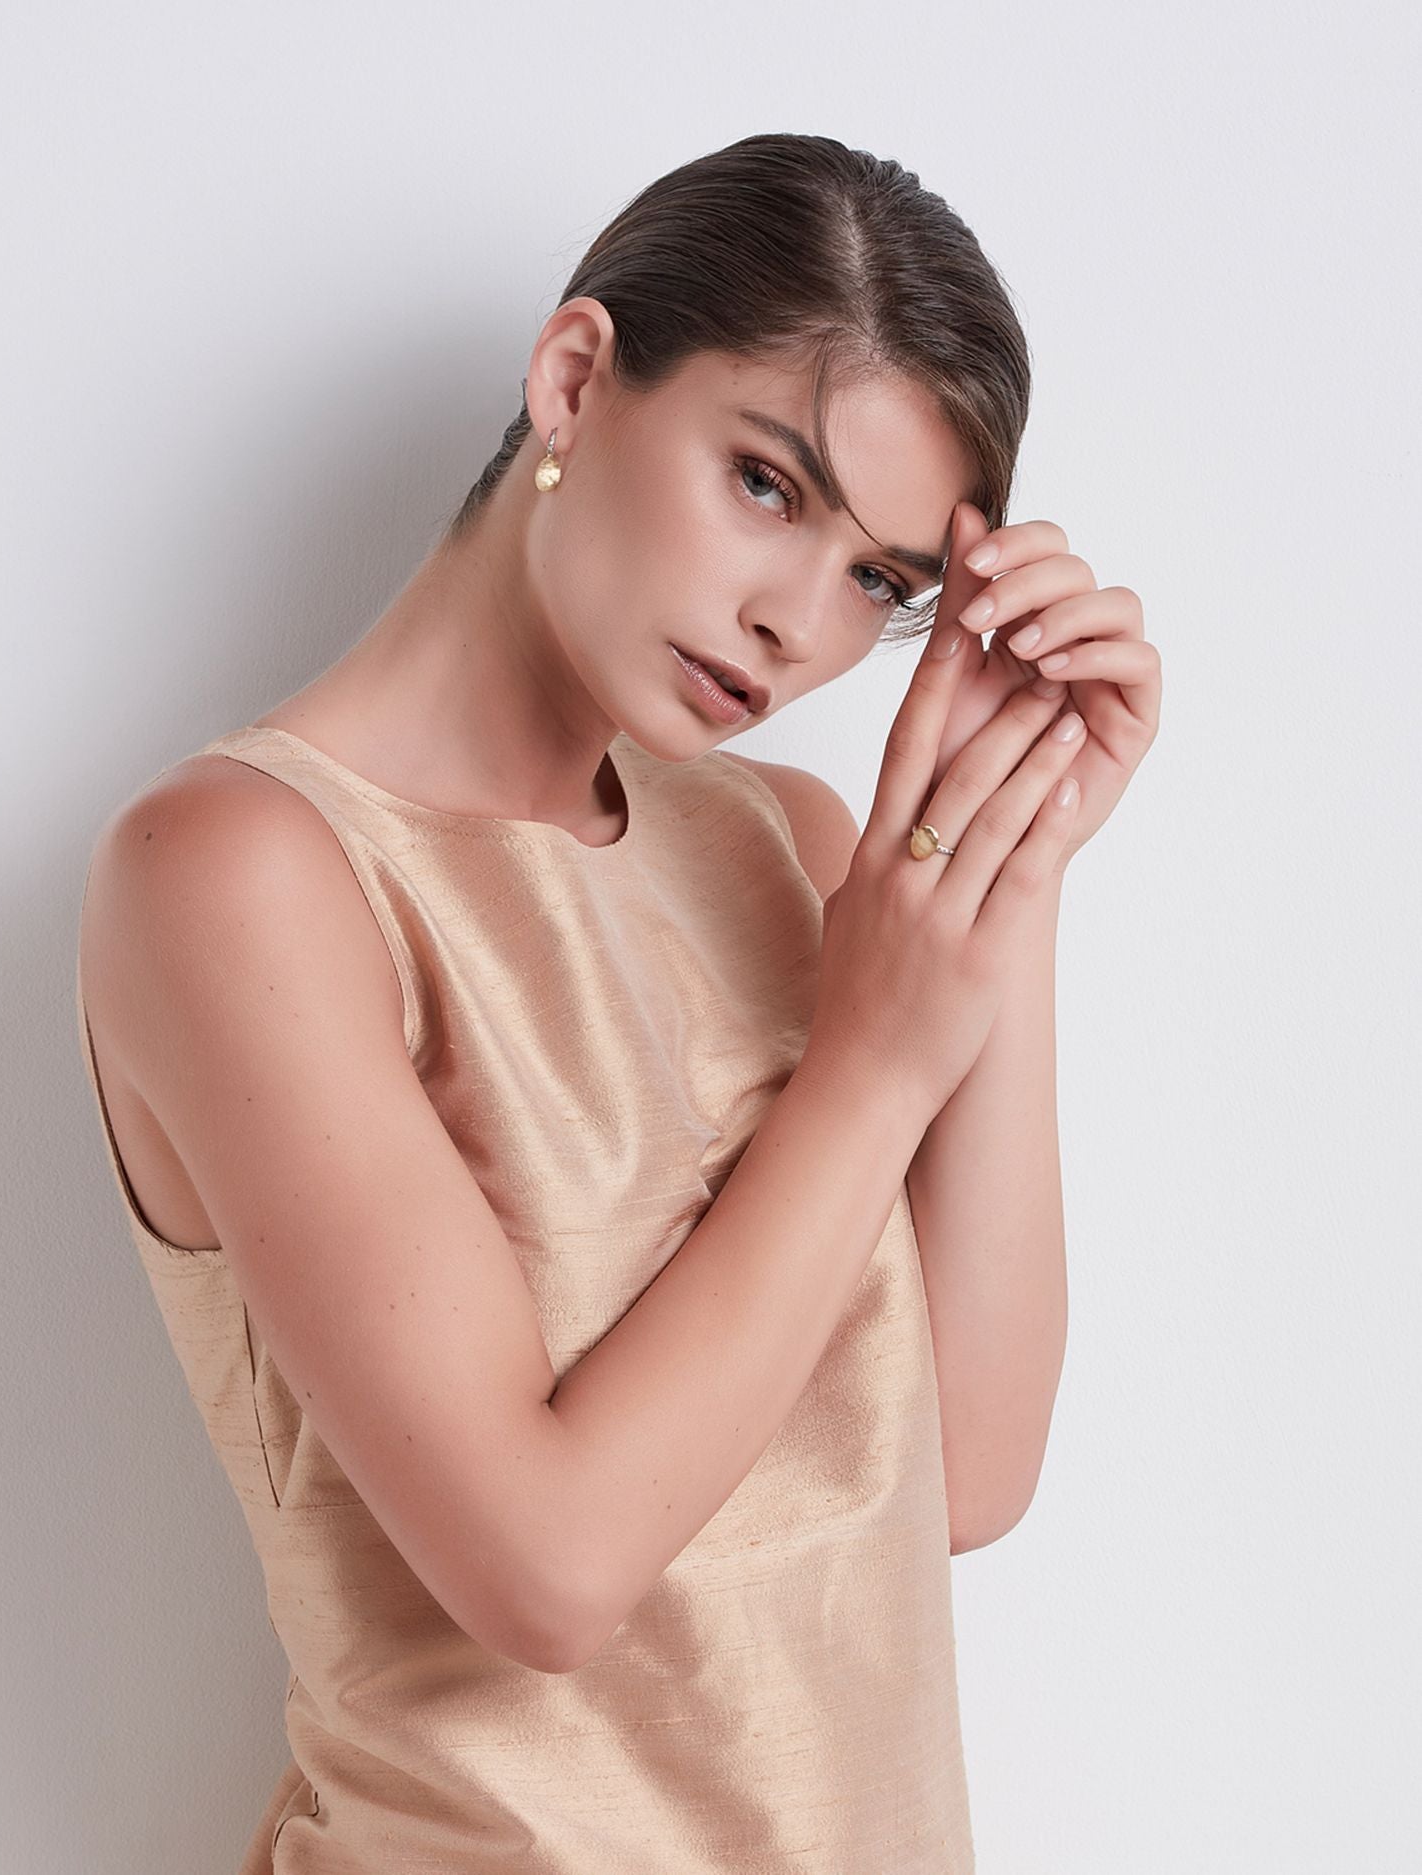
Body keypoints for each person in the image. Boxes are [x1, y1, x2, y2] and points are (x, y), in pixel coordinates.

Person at [74, 131, 1160, 1874]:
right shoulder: (241, 873)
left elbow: (965, 1469)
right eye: (768, 485)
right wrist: (874, 1065)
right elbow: (547, 1572)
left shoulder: (798, 850)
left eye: (879, 582)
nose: (796, 623)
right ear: (576, 378)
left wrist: (1002, 847)